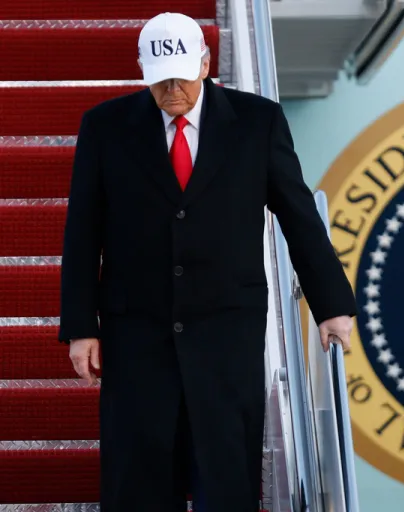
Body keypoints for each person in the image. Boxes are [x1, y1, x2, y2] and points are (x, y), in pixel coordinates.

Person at [58, 12, 356, 512]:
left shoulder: (258, 122)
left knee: (226, 480)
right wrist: (81, 327)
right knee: (138, 480)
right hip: (137, 335)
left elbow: (299, 215)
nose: (172, 89)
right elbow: (83, 231)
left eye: (181, 76)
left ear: (205, 62)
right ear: (142, 70)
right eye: (160, 80)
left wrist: (331, 305)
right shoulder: (105, 127)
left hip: (226, 334)